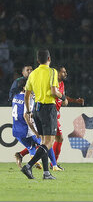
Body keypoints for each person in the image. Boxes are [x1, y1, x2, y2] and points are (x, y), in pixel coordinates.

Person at [19, 49, 63, 180]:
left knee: (43, 142)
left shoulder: (33, 74)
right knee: (49, 142)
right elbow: (54, 92)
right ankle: (29, 166)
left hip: (36, 109)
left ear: (38, 60)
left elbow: (27, 94)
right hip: (48, 108)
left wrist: (28, 111)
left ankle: (46, 173)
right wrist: (63, 96)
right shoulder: (52, 72)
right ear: (49, 59)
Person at [52, 65, 85, 170]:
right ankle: (52, 164)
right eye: (63, 72)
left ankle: (53, 164)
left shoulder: (61, 83)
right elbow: (55, 95)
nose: (65, 74)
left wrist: (75, 101)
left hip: (54, 115)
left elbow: (63, 97)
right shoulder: (51, 83)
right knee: (49, 140)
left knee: (54, 139)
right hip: (49, 114)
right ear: (56, 73)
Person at [11, 77, 42, 169]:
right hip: (26, 129)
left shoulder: (15, 96)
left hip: (16, 130)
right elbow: (25, 116)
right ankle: (50, 165)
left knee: (31, 146)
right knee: (44, 143)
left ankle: (27, 160)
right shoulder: (28, 99)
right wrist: (35, 132)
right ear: (24, 87)